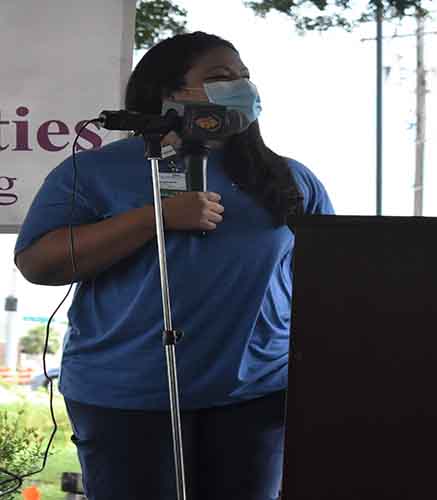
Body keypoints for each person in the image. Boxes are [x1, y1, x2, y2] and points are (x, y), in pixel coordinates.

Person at [14, 32, 334, 500]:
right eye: (221, 77)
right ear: (169, 92)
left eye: (244, 77)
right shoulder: (95, 171)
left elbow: (327, 281)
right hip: (126, 396)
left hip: (255, 396)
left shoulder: (290, 178)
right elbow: (38, 263)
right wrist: (155, 219)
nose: (241, 87)